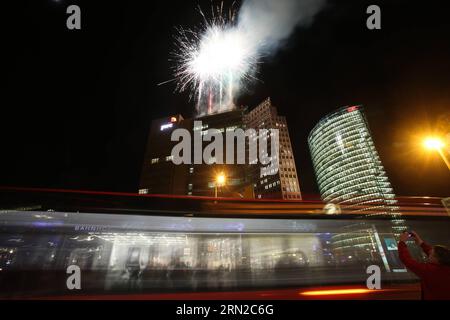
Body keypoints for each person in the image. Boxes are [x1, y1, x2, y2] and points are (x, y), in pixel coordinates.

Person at [398, 231, 450, 300]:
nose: (428, 255)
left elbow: (407, 260)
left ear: (436, 259)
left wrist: (402, 242)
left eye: (431, 254)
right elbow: (434, 253)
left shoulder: (429, 271)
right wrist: (421, 243)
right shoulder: (444, 263)